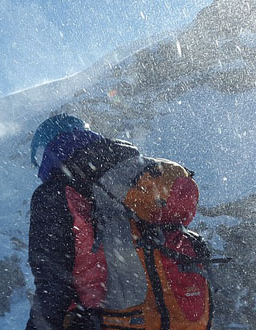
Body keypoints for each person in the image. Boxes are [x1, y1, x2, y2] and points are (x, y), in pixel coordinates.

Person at [26, 114, 212, 330]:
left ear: (48, 150)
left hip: (113, 319)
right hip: (172, 317)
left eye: (38, 157)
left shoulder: (55, 192)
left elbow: (52, 284)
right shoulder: (129, 177)